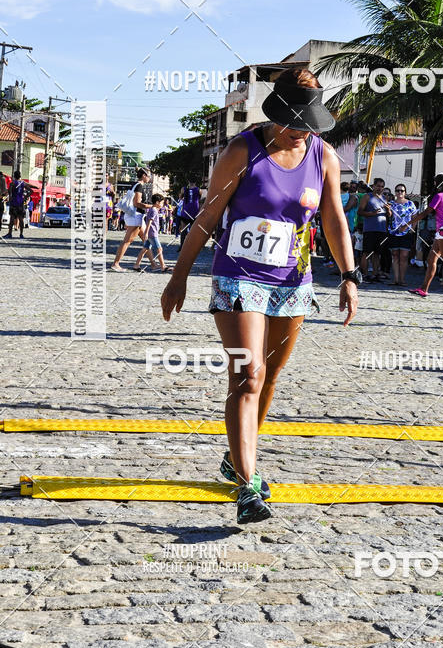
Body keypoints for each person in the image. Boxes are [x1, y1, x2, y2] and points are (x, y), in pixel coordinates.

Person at [161, 68, 358, 524]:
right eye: (292, 123)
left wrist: (349, 276)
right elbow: (208, 216)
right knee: (248, 376)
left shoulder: (323, 156)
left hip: (293, 280)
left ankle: (236, 456)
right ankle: (247, 486)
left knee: (269, 377)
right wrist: (179, 275)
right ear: (275, 114)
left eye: (307, 124)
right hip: (238, 277)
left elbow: (333, 219)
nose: (299, 132)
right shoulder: (241, 151)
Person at [409, 174, 443, 300]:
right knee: (431, 260)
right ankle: (424, 289)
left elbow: (426, 212)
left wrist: (409, 223)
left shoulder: (439, 196)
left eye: (434, 182)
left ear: (437, 183)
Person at [110, 168, 151, 271]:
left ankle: (154, 264)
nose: (149, 178)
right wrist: (151, 206)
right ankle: (116, 264)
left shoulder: (135, 185)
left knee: (146, 240)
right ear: (144, 175)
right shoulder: (139, 186)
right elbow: (137, 203)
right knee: (127, 241)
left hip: (136, 216)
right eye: (149, 175)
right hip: (135, 216)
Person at [358, 178, 390, 282]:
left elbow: (389, 215)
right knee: (367, 253)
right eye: (378, 186)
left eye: (382, 186)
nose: (380, 188)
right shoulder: (367, 196)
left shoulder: (384, 198)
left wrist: (388, 210)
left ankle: (375, 274)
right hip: (370, 229)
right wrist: (372, 214)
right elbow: (360, 211)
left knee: (377, 253)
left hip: (381, 230)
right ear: (373, 186)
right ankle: (365, 274)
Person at [387, 183, 417, 286]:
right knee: (395, 255)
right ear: (395, 192)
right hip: (393, 232)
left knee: (404, 256)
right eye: (397, 190)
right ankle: (396, 279)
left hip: (406, 232)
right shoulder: (391, 203)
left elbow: (415, 217)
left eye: (402, 190)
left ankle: (402, 279)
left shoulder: (410, 204)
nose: (400, 192)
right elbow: (389, 216)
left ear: (405, 192)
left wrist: (412, 229)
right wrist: (388, 210)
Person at [134, 195, 172, 273]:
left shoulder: (152, 209)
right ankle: (163, 266)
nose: (162, 204)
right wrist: (146, 232)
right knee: (159, 249)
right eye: (162, 203)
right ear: (157, 202)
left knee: (145, 249)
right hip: (152, 233)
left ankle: (136, 265)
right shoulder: (154, 210)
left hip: (150, 233)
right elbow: (149, 222)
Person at [5, 170, 30, 239]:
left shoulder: (12, 183)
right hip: (20, 203)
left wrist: (10, 198)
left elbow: (9, 193)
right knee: (21, 219)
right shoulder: (23, 183)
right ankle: (21, 234)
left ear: (14, 176)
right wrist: (25, 197)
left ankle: (10, 233)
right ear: (20, 176)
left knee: (12, 219)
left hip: (14, 203)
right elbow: (31, 191)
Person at [178, 179, 202, 250]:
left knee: (183, 230)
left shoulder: (183, 189)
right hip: (194, 212)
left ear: (188, 181)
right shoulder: (198, 190)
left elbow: (180, 198)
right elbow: (199, 199)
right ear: (195, 182)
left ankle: (182, 246)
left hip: (185, 211)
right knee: (193, 231)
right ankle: (192, 246)